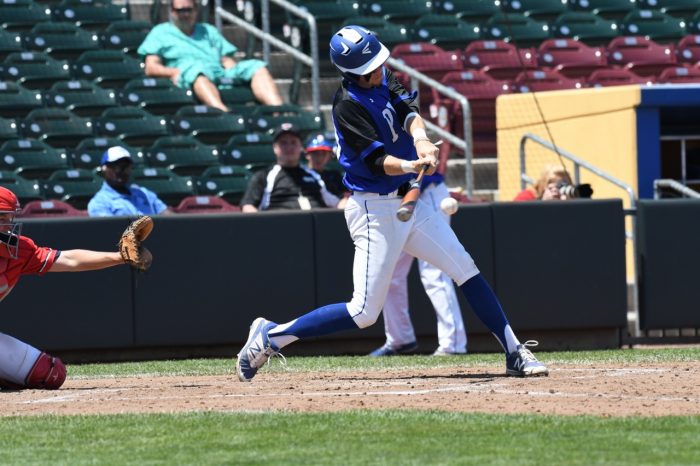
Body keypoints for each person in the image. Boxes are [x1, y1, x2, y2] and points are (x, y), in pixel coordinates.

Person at [235, 25, 548, 382]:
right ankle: (271, 335)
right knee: (364, 312)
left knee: (465, 268)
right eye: (370, 66)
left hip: (409, 203)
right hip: (374, 210)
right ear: (351, 71)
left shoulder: (381, 76)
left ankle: (513, 351)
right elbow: (377, 161)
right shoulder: (347, 106)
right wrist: (412, 165)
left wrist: (421, 140)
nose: (379, 69)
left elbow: (406, 106)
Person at [0, 187, 140, 390]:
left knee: (50, 373)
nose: (8, 224)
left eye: (9, 217)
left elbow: (69, 259)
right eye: (2, 216)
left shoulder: (19, 250)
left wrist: (120, 257)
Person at [370, 172, 467, 357]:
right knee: (389, 272)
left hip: (426, 193)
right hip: (396, 199)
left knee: (434, 273)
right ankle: (400, 339)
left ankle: (452, 343)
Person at [137, 0, 283, 112]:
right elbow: (151, 67)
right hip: (189, 74)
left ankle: (279, 112)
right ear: (172, 11)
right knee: (197, 70)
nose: (185, 14)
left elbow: (226, 60)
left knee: (256, 66)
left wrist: (234, 73)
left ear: (196, 10)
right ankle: (222, 112)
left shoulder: (208, 30)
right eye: (180, 10)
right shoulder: (160, 32)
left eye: (189, 9)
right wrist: (174, 72)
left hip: (218, 71)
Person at [240, 124, 342, 212]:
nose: (289, 148)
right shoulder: (264, 176)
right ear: (274, 148)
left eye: (293, 142)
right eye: (283, 143)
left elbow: (340, 202)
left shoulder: (315, 175)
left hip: (317, 226)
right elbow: (248, 206)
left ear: (301, 147)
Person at [88, 146, 170, 217]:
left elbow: (170, 219)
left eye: (125, 167)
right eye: (114, 166)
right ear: (104, 169)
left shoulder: (144, 193)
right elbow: (110, 231)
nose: (119, 171)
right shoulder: (99, 202)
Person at [304, 134, 349, 208]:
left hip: (335, 214)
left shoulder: (334, 176)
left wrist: (344, 200)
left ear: (329, 156)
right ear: (307, 155)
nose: (319, 158)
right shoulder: (301, 174)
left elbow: (346, 195)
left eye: (324, 154)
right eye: (315, 153)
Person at [514, 164, 592, 201]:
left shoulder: (568, 197)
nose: (560, 189)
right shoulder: (526, 197)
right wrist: (544, 205)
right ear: (545, 184)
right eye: (559, 185)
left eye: (565, 184)